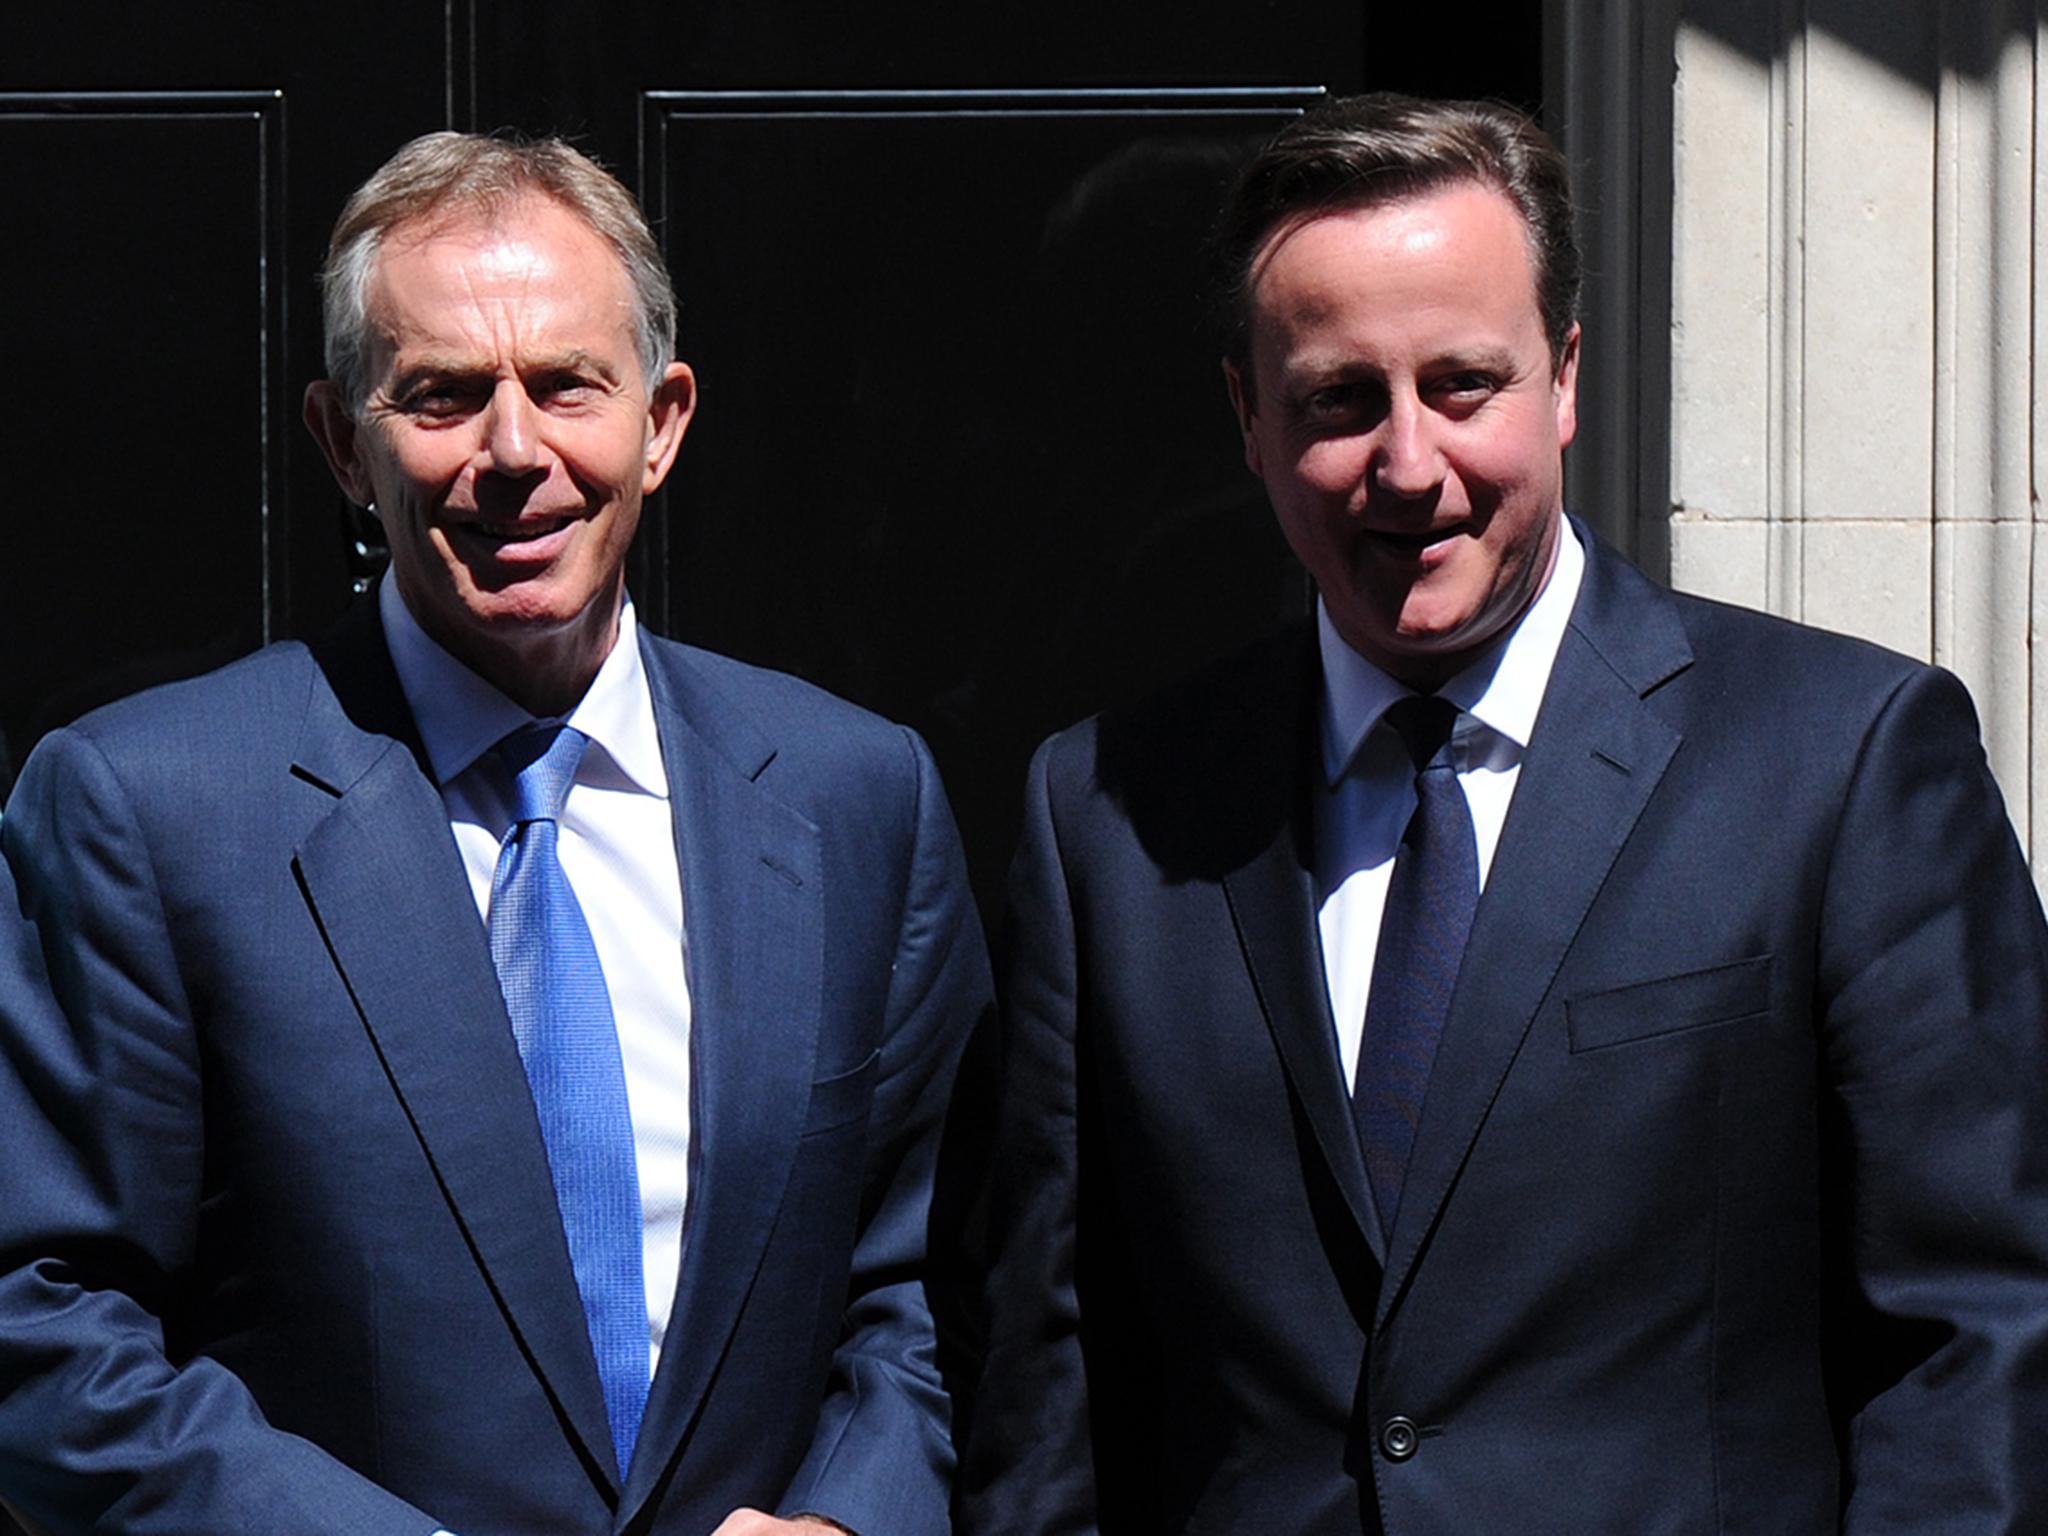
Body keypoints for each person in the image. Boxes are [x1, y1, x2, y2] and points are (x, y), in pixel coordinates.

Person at [957, 93, 2048, 1533]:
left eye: (1464, 385)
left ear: (1566, 378)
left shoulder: (1838, 764)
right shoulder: (1105, 814)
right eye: (1341, 399)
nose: (1411, 467)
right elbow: (1043, 1387)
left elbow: (1978, 1336)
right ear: (1249, 418)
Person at [0, 132, 989, 1536]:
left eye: (566, 385)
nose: (514, 454)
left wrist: (851, 1516)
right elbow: (41, 1321)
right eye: (444, 397)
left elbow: (935, 1280)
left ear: (663, 419)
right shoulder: (148, 808)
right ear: (344, 443)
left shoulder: (853, 796)